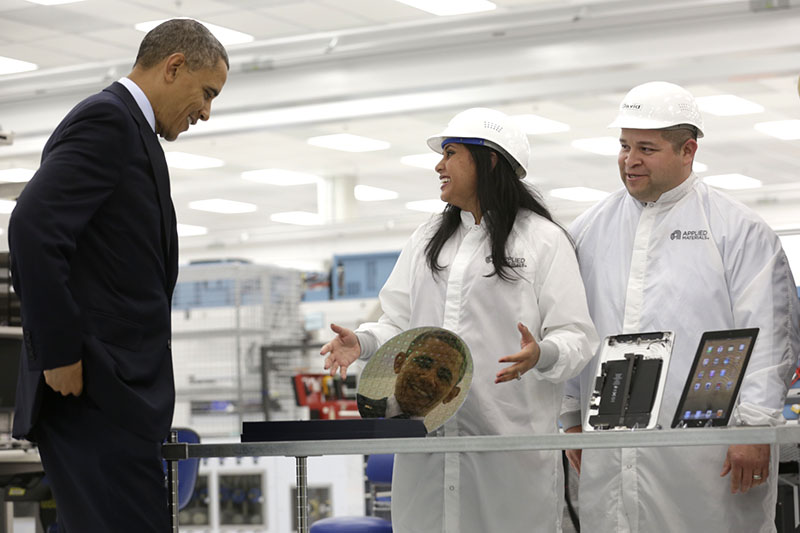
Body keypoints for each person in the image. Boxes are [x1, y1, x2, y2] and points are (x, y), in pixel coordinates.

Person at [321, 107, 598, 533]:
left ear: (489, 161)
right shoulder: (428, 239)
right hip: (426, 451)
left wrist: (542, 353)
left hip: (507, 453)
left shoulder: (543, 240)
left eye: (450, 153)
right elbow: (398, 322)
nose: (439, 165)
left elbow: (577, 335)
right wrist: (364, 342)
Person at [8, 19, 228, 532]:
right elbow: (33, 228)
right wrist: (58, 353)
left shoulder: (130, 129)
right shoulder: (108, 120)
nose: (206, 112)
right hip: (93, 390)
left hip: (116, 397)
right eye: (206, 93)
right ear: (174, 67)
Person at [561, 81, 800, 532]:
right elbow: (575, 327)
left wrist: (754, 430)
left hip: (710, 451)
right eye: (624, 146)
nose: (630, 160)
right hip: (609, 445)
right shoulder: (588, 229)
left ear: (688, 150)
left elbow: (770, 334)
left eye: (647, 148)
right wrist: (571, 417)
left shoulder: (737, 229)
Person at [356, 328, 468, 420]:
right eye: (423, 363)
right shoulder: (359, 411)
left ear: (451, 395)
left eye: (443, 376)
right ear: (399, 363)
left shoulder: (441, 442)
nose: (428, 378)